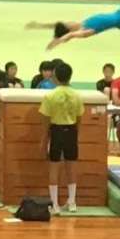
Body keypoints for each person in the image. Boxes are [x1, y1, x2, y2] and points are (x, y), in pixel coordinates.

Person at [39, 62, 84, 214]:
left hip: (56, 131)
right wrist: (75, 135)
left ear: (55, 76)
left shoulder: (50, 95)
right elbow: (79, 119)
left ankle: (55, 205)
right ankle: (72, 202)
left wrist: (43, 142)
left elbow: (45, 122)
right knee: (71, 167)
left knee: (54, 167)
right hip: (71, 131)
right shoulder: (77, 95)